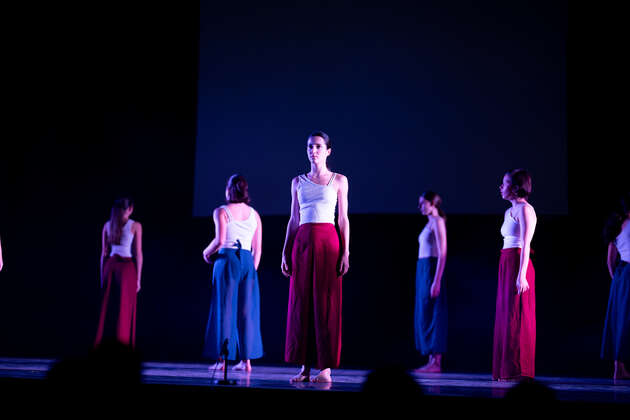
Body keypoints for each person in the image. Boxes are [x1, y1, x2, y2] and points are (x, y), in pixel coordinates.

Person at [281, 131, 350, 383]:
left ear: (328, 151)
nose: (314, 151)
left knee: (326, 303)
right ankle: (305, 366)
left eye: (319, 146)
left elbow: (343, 219)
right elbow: (294, 219)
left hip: (328, 242)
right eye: (310, 146)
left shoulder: (339, 180)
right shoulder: (297, 182)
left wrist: (346, 251)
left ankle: (325, 368)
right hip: (302, 242)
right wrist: (285, 250)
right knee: (302, 303)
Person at [202, 174, 263, 372]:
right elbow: (258, 249)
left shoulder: (222, 211)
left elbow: (220, 241)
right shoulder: (254, 214)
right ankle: (246, 362)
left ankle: (223, 361)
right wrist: (251, 269)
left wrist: (206, 253)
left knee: (225, 309)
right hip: (247, 261)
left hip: (227, 259)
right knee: (246, 312)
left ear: (228, 190)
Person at [493, 169, 537, 381]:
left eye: (505, 183)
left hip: (519, 263)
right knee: (506, 315)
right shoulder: (509, 211)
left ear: (516, 187)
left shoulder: (526, 210)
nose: (501, 187)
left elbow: (526, 244)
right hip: (506, 262)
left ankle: (519, 369)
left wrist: (522, 275)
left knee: (517, 316)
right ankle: (506, 368)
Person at [95, 198, 143, 348]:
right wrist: (138, 279)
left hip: (110, 267)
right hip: (126, 269)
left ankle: (106, 346)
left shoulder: (107, 225)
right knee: (124, 309)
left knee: (108, 309)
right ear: (129, 209)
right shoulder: (135, 225)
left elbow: (103, 254)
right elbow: (138, 253)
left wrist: (102, 276)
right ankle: (122, 346)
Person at [414, 191, 447, 373]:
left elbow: (443, 253)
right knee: (425, 313)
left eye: (423, 203)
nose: (420, 207)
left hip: (432, 268)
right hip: (423, 268)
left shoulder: (438, 222)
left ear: (432, 203)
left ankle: (436, 361)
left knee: (434, 311)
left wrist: (437, 280)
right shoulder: (429, 223)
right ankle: (430, 359)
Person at [601, 192, 630, 380]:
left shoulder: (618, 224)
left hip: (622, 274)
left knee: (620, 320)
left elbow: (610, 260)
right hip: (626, 274)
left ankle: (619, 366)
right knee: (625, 320)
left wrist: (616, 279)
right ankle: (620, 368)